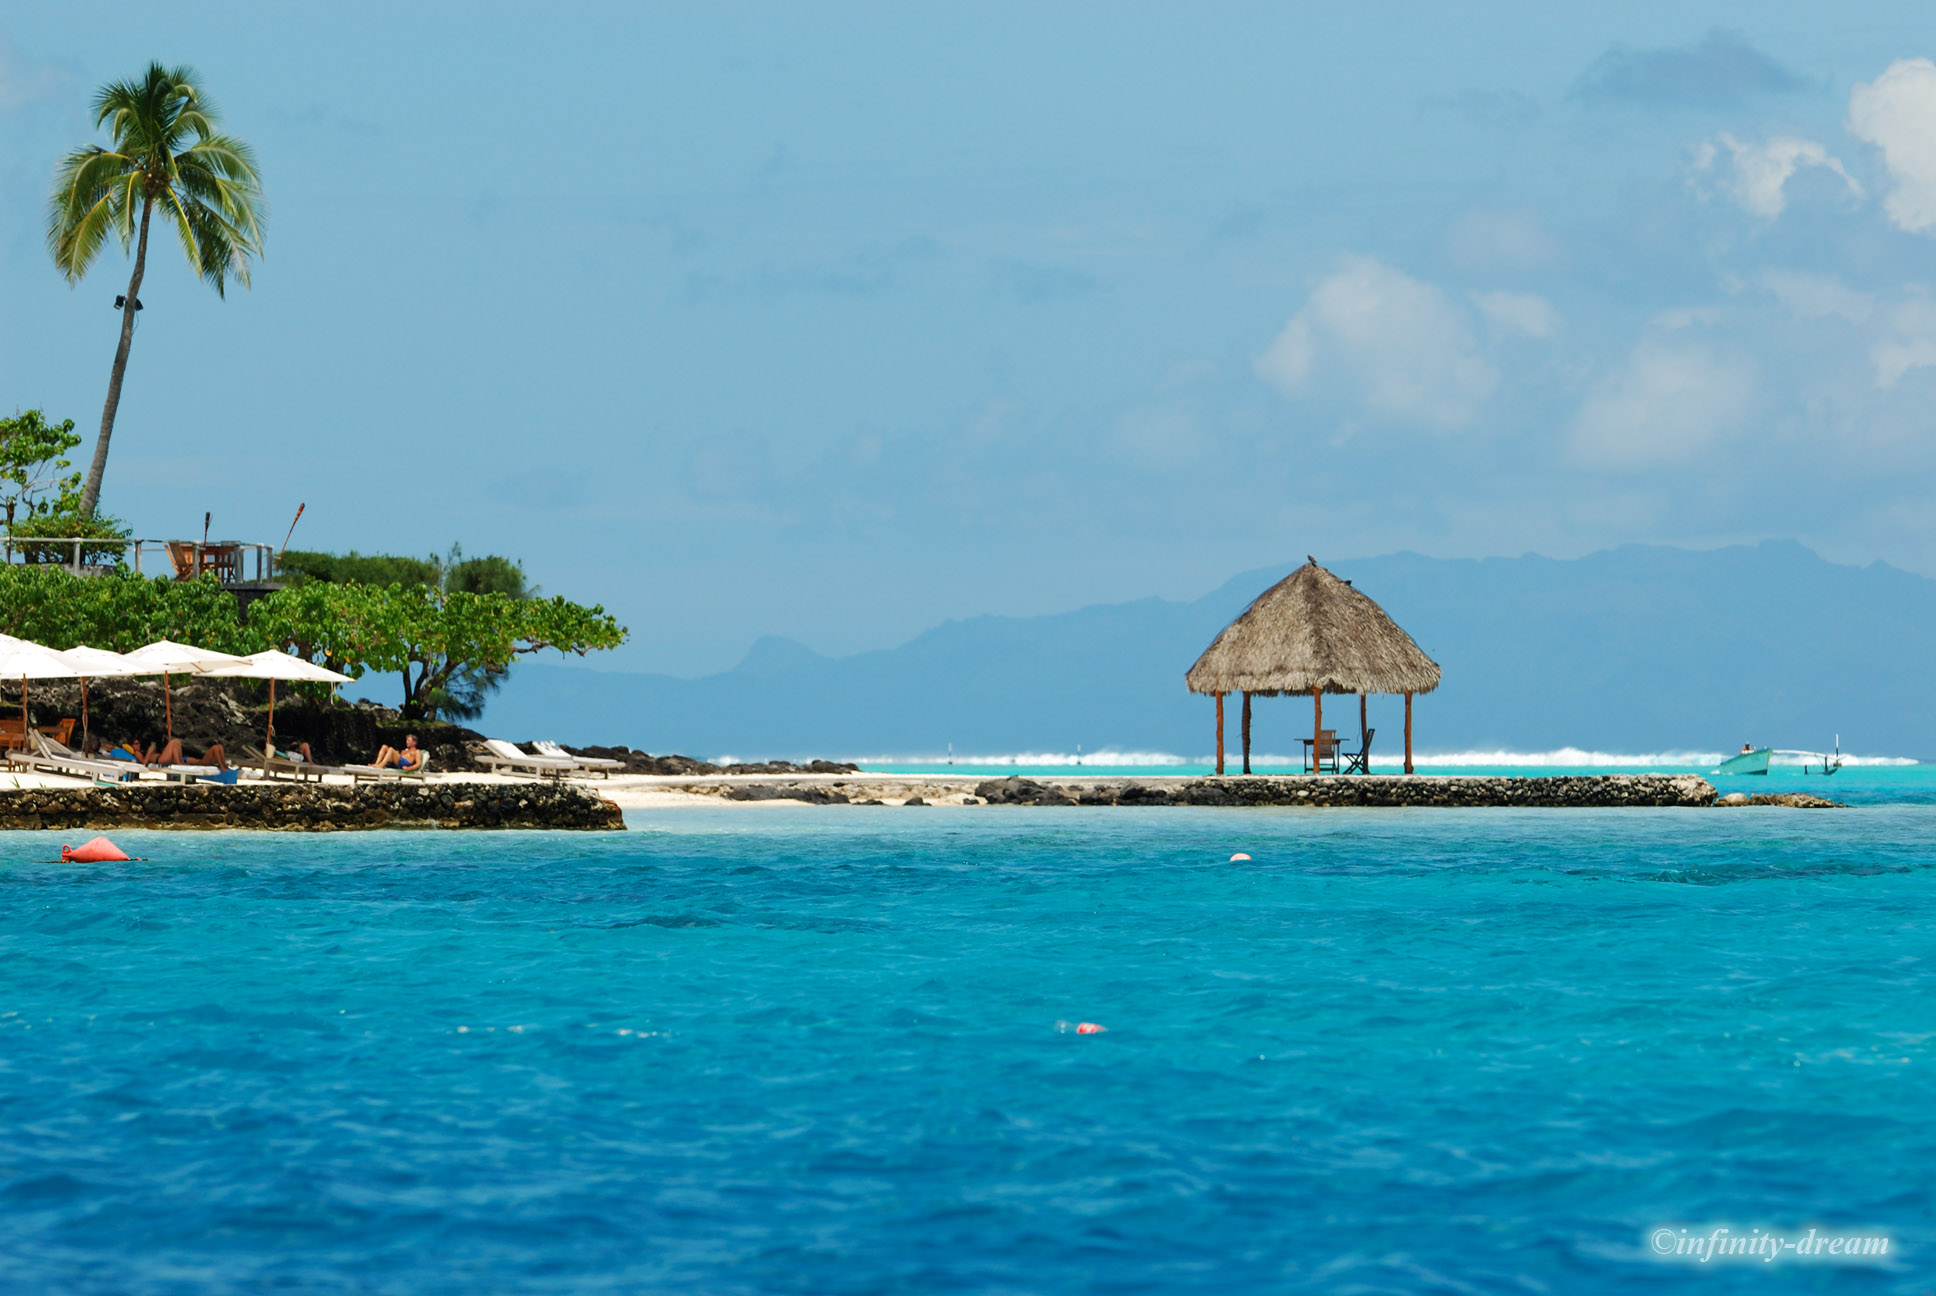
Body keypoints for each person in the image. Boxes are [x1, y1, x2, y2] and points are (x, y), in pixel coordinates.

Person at [145, 738, 228, 768]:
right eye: (136, 744)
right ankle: (222, 765)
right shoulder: (140, 754)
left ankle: (223, 765)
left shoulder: (185, 759)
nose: (138, 745)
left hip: (166, 759)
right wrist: (149, 752)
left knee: (219, 747)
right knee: (175, 741)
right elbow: (143, 762)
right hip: (160, 760)